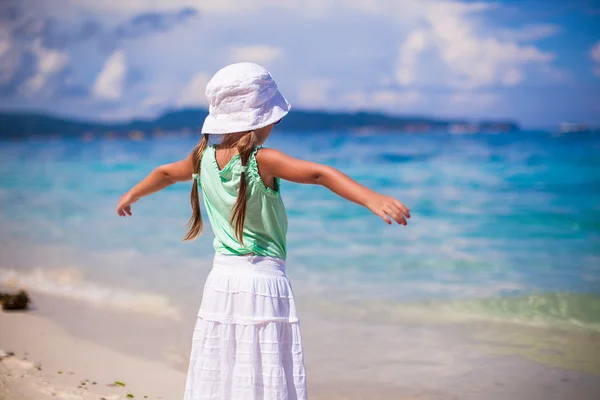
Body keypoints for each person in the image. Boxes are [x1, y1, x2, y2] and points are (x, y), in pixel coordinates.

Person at [116, 62, 410, 400]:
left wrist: (133, 194)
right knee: (265, 375)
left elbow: (165, 174)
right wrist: (372, 198)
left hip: (222, 282)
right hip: (264, 284)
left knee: (226, 367)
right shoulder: (261, 159)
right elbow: (319, 174)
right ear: (264, 119)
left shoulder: (202, 157)